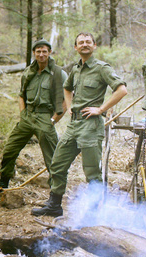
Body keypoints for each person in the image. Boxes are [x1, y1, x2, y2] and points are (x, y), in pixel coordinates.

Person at [32, 32, 128, 217]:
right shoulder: (76, 69)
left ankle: (93, 213)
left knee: (92, 171)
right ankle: (54, 205)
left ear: (94, 46)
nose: (84, 45)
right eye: (80, 42)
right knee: (58, 164)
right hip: (74, 125)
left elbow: (122, 90)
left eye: (88, 42)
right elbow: (66, 88)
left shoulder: (102, 68)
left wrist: (100, 109)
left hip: (91, 126)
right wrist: (69, 106)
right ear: (75, 47)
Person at [0, 39, 68, 195]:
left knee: (53, 158)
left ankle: (56, 193)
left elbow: (67, 100)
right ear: (34, 53)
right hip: (28, 116)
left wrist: (54, 119)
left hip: (45, 116)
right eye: (38, 51)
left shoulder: (58, 73)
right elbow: (21, 95)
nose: (41, 54)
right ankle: (3, 184)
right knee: (9, 149)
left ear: (49, 53)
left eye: (44, 51)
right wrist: (23, 114)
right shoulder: (29, 71)